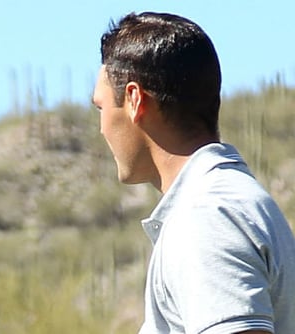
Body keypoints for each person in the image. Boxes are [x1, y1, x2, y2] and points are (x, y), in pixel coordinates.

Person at [92, 11, 295, 334]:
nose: (101, 129)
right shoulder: (235, 202)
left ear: (133, 100)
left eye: (101, 108)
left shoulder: (206, 216)